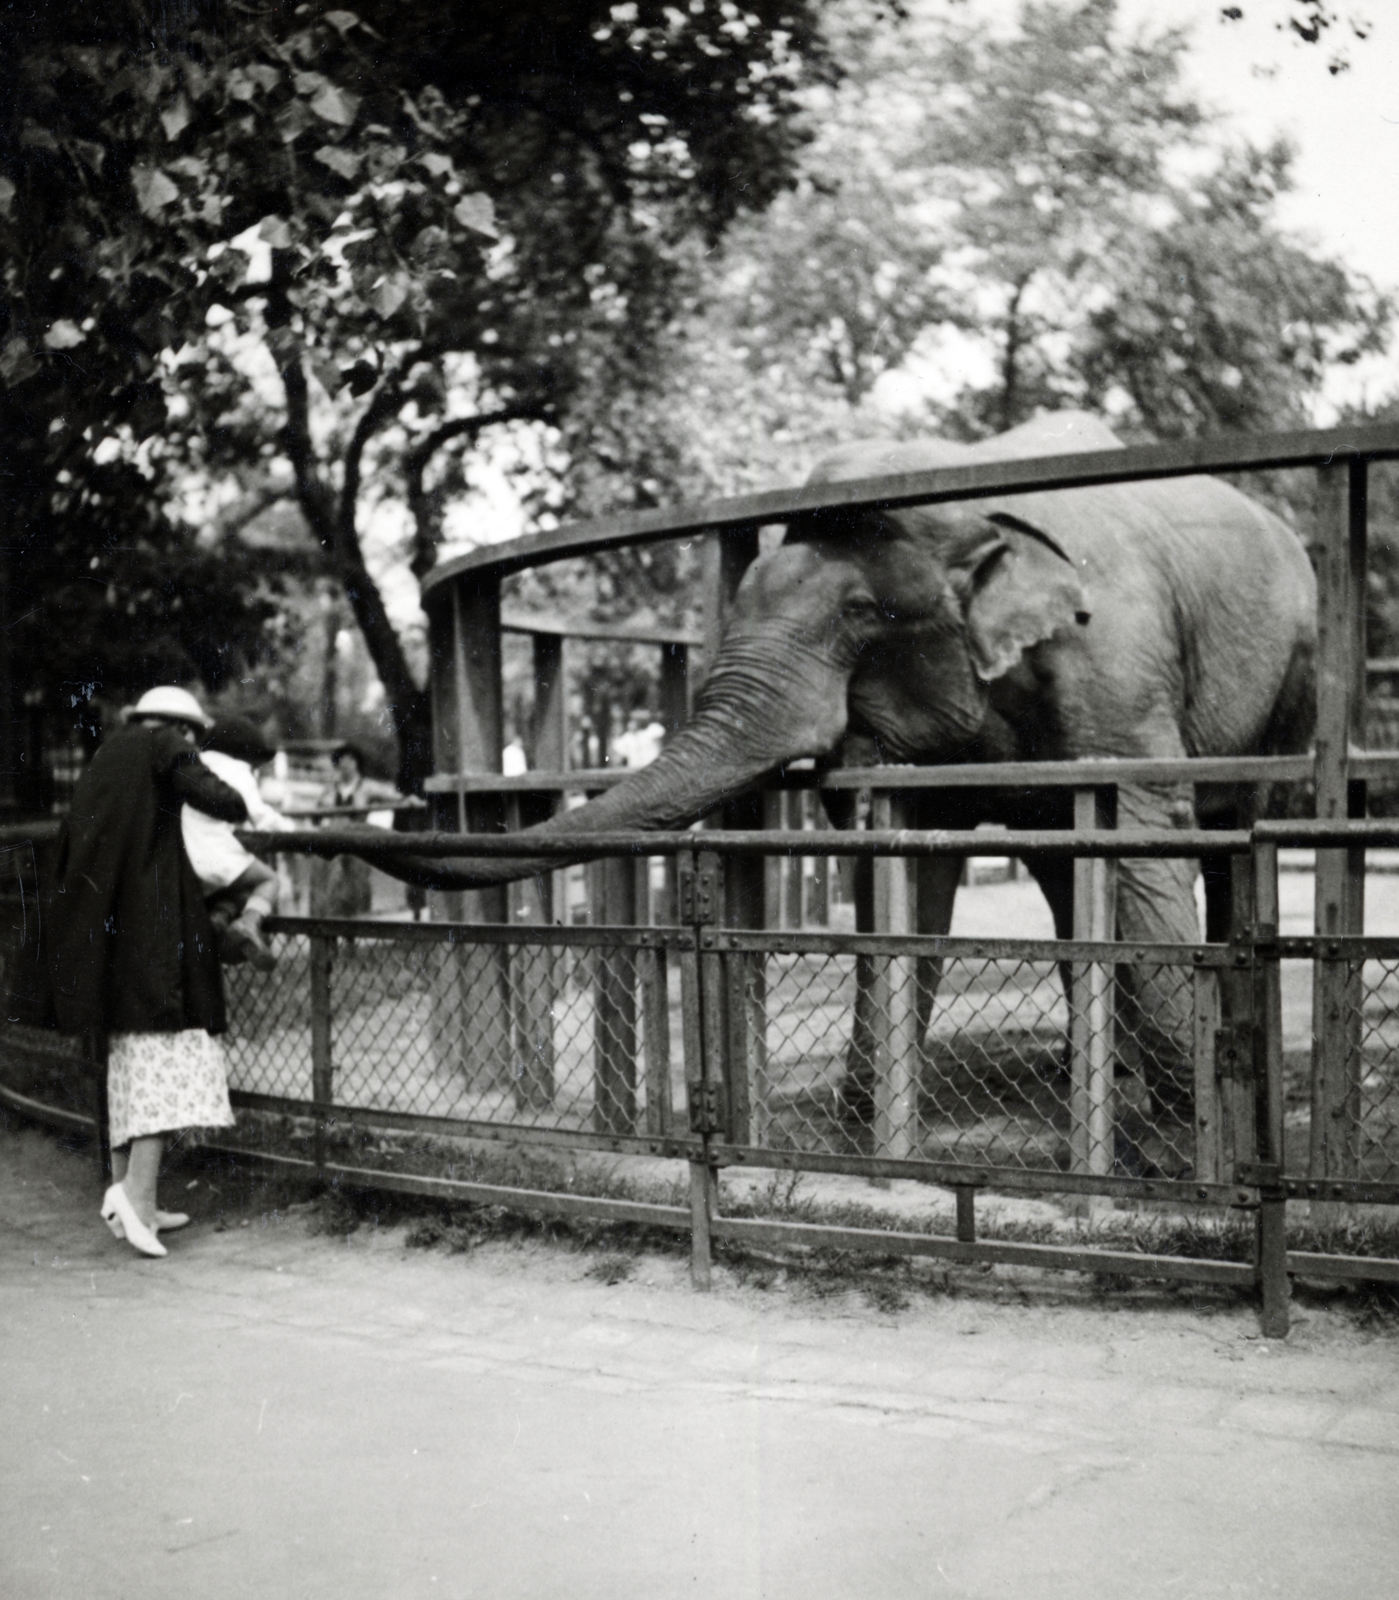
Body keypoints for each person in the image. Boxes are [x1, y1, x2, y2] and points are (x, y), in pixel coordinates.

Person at [49, 685, 250, 1259]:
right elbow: (221, 799)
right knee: (167, 1059)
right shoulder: (166, 744)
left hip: (108, 933)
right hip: (152, 930)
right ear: (181, 728)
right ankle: (137, 1198)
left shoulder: (110, 754)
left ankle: (130, 1193)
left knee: (130, 1064)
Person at [182, 716, 291, 971]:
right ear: (244, 754)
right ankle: (249, 922)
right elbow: (260, 815)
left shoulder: (193, 766)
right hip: (215, 854)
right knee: (268, 880)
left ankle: (219, 920)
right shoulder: (237, 772)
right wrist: (289, 829)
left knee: (239, 890)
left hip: (185, 858)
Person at [310, 742, 402, 917]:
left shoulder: (366, 787)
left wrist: (407, 800)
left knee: (357, 887)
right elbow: (316, 814)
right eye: (342, 760)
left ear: (356, 762)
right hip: (334, 843)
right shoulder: (330, 788)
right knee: (332, 888)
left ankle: (356, 932)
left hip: (357, 843)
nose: (345, 764)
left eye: (350, 759)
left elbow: (394, 797)